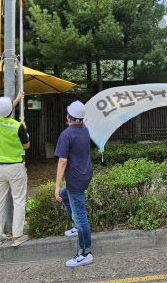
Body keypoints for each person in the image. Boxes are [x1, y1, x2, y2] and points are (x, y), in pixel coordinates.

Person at [54, 100, 94, 267]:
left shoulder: (66, 135)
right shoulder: (85, 130)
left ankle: (85, 252)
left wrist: (56, 185)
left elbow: (62, 161)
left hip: (75, 179)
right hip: (86, 175)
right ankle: (76, 226)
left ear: (68, 117)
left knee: (80, 215)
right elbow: (82, 123)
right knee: (65, 195)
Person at [0, 91, 30, 248]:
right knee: (19, 201)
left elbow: (4, 111)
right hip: (15, 167)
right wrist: (24, 131)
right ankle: (16, 236)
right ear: (11, 112)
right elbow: (26, 146)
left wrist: (16, 100)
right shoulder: (18, 126)